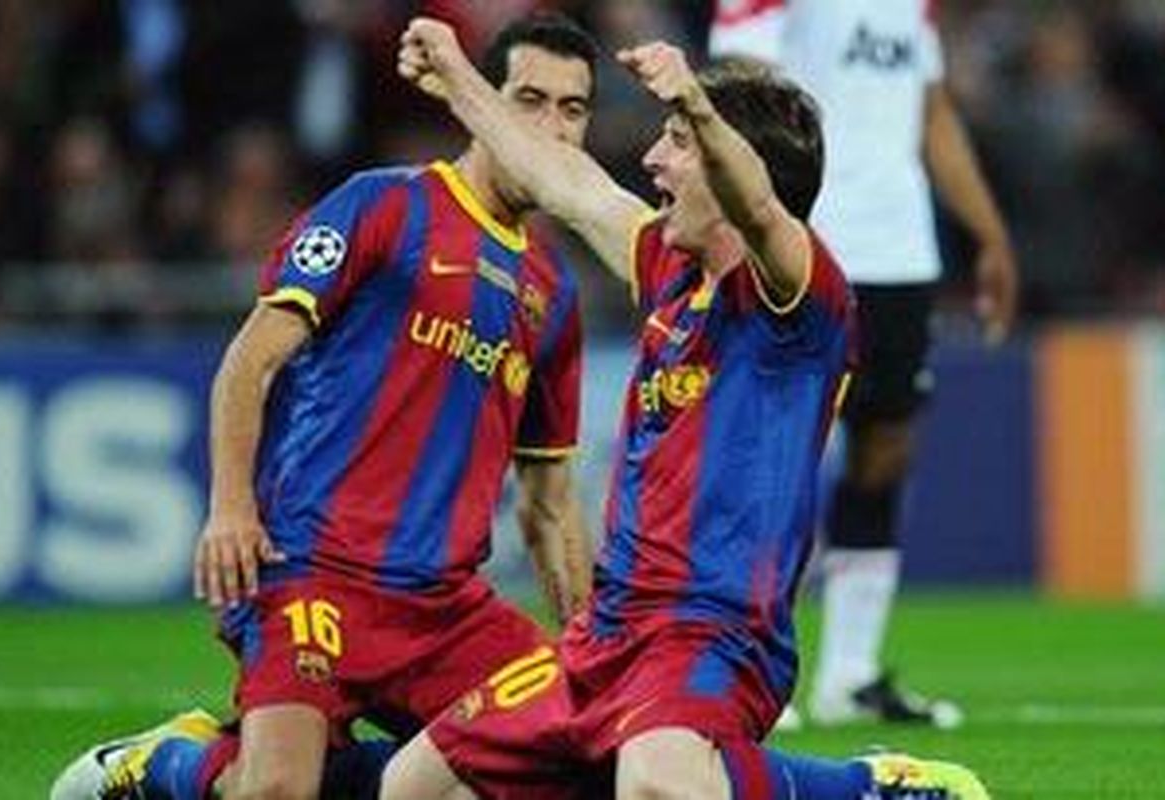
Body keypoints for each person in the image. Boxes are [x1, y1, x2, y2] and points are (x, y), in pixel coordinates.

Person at [379, 17, 990, 799]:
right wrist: (458, 77)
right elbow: (565, 183)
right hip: (607, 635)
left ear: (734, 169)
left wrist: (699, 107)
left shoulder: (801, 296)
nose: (651, 159)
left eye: (674, 142)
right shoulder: (665, 264)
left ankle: (861, 788)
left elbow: (763, 211)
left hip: (717, 632)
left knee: (657, 783)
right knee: (415, 786)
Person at [50, 14, 600, 800]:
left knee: (576, 759)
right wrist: (231, 509)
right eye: (530, 100)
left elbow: (547, 503)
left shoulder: (554, 292)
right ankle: (169, 764)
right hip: (314, 574)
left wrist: (588, 649)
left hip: (444, 610)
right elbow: (251, 359)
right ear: (482, 101)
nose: (551, 128)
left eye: (572, 109)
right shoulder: (385, 205)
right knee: (277, 791)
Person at [710, 0, 1019, 727]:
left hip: (898, 249)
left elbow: (932, 114)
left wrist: (990, 233)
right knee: (769, 453)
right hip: (803, 243)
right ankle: (738, 660)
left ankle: (848, 675)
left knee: (886, 449)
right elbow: (734, 92)